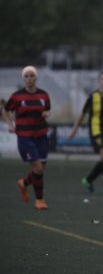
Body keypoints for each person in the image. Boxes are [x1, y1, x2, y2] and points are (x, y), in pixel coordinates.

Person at [2, 66, 51, 210]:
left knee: (40, 168)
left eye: (32, 76)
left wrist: (47, 114)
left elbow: (47, 110)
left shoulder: (44, 95)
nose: (29, 79)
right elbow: (5, 110)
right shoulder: (17, 96)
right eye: (27, 76)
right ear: (23, 78)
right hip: (25, 137)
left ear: (36, 78)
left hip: (41, 135)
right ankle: (40, 201)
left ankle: (23, 183)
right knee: (38, 168)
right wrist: (10, 125)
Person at [68, 70, 103, 195]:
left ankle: (88, 180)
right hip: (95, 130)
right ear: (99, 81)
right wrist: (74, 130)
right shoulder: (93, 97)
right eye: (102, 79)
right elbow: (82, 114)